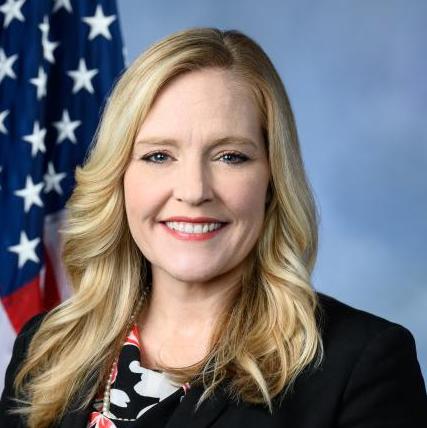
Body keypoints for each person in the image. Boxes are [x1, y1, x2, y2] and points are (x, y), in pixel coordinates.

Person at [0, 27, 426, 428]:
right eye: (159, 156)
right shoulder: (48, 349)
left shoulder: (360, 364)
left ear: (272, 180)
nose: (193, 191)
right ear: (119, 177)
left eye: (230, 157)